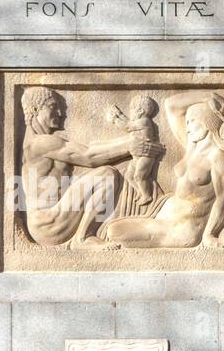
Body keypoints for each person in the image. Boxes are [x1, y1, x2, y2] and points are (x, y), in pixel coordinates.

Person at [18, 86, 161, 246]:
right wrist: (130, 146)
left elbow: (93, 148)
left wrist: (130, 142)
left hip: (53, 218)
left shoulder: (38, 141)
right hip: (48, 223)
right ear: (36, 109)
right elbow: (89, 157)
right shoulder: (40, 142)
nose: (60, 114)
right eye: (53, 106)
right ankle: (83, 238)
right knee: (106, 175)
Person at [101, 91, 224, 249]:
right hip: (164, 215)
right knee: (112, 229)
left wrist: (210, 234)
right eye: (187, 123)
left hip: (184, 228)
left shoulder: (218, 157)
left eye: (192, 122)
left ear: (206, 123)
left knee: (115, 234)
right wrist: (207, 96)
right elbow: (171, 105)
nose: (188, 128)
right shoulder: (192, 147)